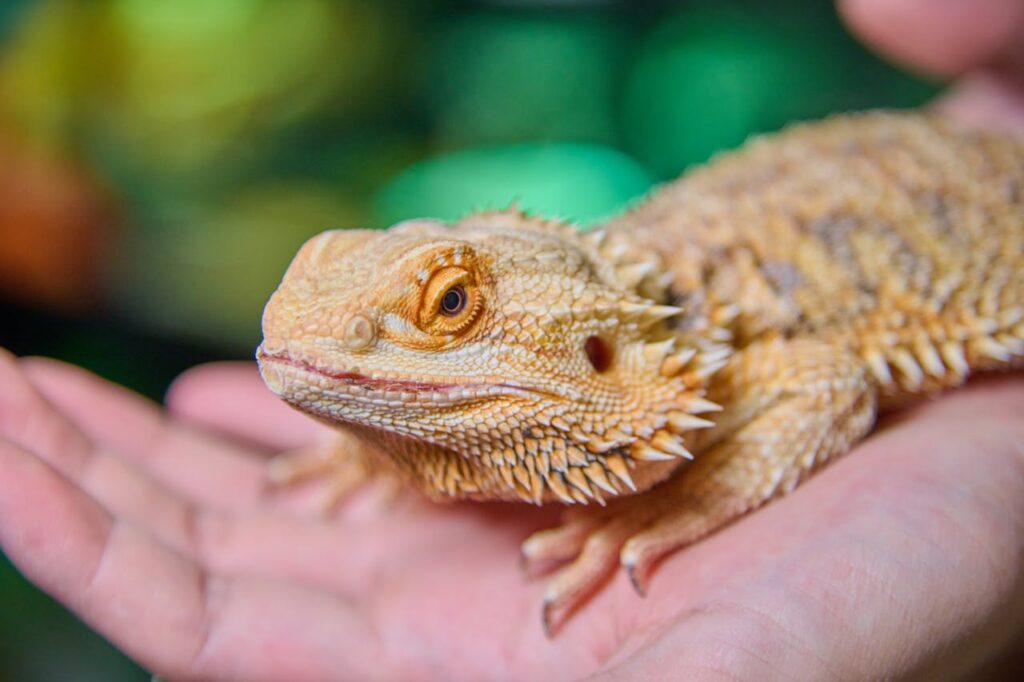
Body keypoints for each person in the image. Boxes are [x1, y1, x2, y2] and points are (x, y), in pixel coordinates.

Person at [1, 0, 1022, 679]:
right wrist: (375, 431)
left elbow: (829, 379)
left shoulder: (667, 347)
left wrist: (688, 498)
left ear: (594, 355)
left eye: (447, 312)